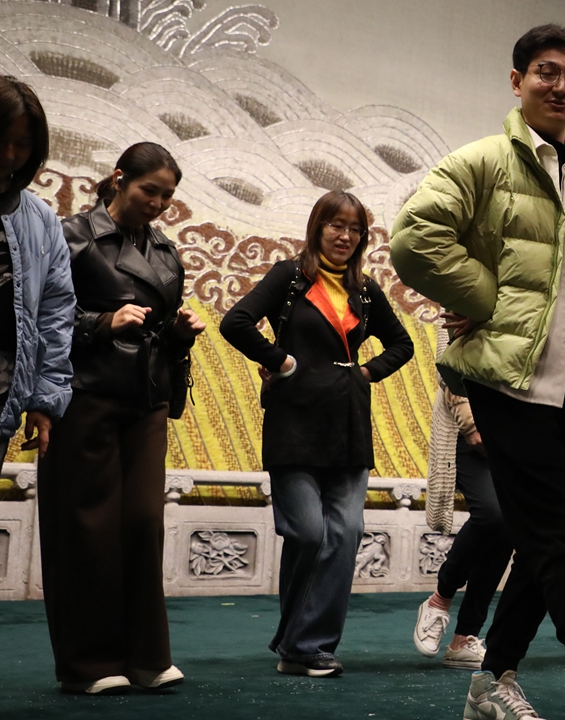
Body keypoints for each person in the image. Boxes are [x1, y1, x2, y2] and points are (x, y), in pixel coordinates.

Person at [391, 23, 565, 720]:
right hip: (508, 382)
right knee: (555, 536)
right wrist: (484, 300)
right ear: (516, 81)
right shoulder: (482, 162)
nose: (562, 86)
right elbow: (414, 239)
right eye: (547, 72)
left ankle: (493, 683)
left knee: (552, 538)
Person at [221, 191, 414, 677]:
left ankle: (309, 647)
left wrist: (366, 373)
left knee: (345, 533)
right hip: (294, 423)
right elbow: (235, 322)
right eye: (336, 226)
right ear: (317, 227)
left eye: (355, 230)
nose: (345, 236)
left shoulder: (366, 289)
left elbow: (402, 343)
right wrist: (279, 360)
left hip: (348, 423)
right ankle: (297, 642)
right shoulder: (289, 277)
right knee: (308, 533)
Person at [39, 142, 204, 694]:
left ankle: (146, 657)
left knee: (141, 525)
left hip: (146, 400)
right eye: (149, 190)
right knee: (87, 529)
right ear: (117, 180)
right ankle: (88, 664)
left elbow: (160, 332)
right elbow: (43, 313)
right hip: (84, 397)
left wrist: (180, 335)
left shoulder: (165, 250)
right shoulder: (70, 234)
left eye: (167, 196)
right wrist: (100, 323)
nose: (158, 203)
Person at [0, 77, 73, 473]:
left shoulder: (41, 220)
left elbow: (55, 312)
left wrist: (45, 400)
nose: (9, 154)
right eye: (1, 138)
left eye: (23, 144)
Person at [414, 385, 513, 670]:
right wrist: (470, 424)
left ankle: (464, 638)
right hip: (469, 429)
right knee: (492, 514)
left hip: (516, 431)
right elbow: (451, 366)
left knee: (507, 528)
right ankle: (440, 598)